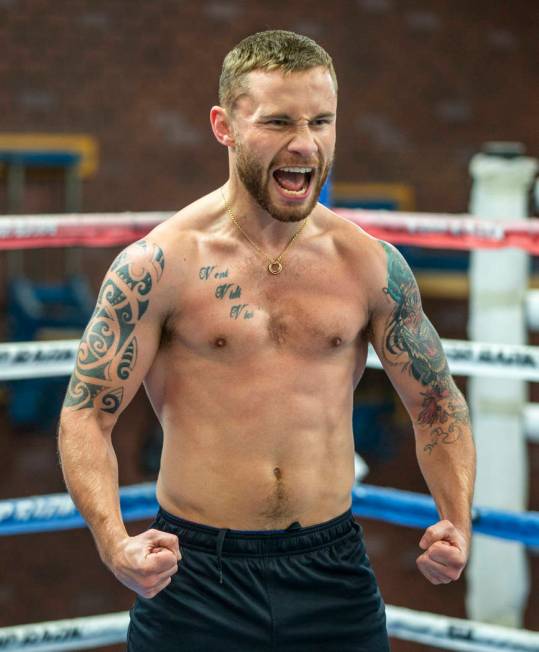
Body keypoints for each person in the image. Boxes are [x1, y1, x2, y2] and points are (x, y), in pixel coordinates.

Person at [58, 29, 476, 652]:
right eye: (279, 121)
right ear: (224, 126)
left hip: (331, 569)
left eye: (321, 121)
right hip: (195, 574)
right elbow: (86, 414)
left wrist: (456, 521)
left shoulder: (368, 265)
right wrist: (113, 541)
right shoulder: (158, 265)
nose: (304, 143)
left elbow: (436, 403)